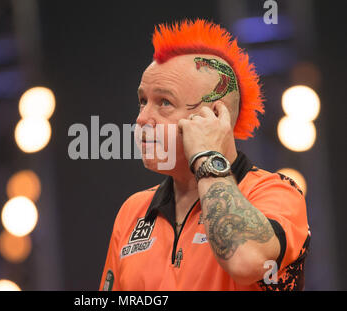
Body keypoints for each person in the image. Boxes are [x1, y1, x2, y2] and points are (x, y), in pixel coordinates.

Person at [99, 19, 310, 291]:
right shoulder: (133, 211)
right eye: (142, 101)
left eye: (164, 102)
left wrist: (206, 155)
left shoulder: (276, 192)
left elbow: (245, 261)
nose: (141, 119)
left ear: (214, 117)